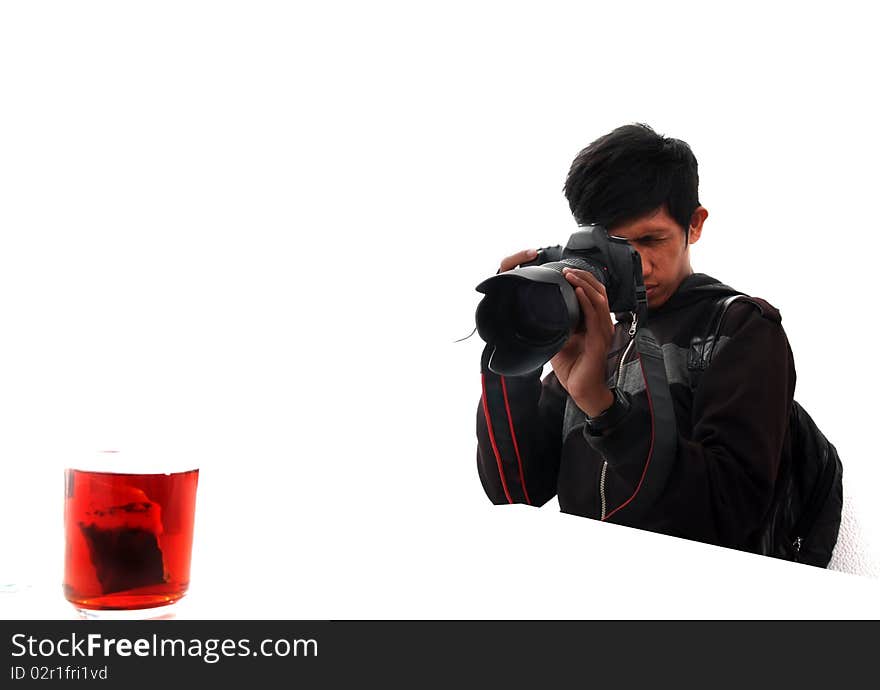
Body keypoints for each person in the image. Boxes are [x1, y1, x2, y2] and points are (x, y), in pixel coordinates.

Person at [476, 123, 796, 554]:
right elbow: (514, 494)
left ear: (695, 224)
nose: (638, 265)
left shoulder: (741, 329)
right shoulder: (591, 345)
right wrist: (519, 351)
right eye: (616, 247)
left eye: (650, 239)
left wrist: (605, 410)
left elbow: (729, 514)